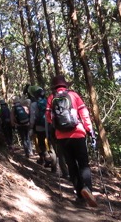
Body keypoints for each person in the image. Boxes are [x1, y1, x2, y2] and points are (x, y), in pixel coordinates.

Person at [47, 75, 98, 208]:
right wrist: (90, 130)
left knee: (71, 166)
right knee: (83, 164)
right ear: (65, 85)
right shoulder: (74, 95)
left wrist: (58, 126)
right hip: (78, 133)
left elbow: (48, 117)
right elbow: (84, 113)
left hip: (62, 137)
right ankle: (88, 189)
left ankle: (80, 196)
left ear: (54, 86)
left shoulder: (51, 98)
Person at [30, 88, 49, 166]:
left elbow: (32, 117)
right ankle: (52, 160)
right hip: (49, 125)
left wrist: (31, 127)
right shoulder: (48, 101)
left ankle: (45, 158)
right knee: (49, 142)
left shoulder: (34, 104)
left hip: (39, 127)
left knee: (41, 143)